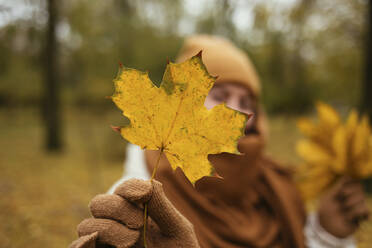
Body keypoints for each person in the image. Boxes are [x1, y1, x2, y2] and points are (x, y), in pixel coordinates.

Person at [70, 35, 369, 248]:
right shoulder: (139, 198)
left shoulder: (280, 190)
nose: (239, 110)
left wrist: (328, 237)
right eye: (222, 96)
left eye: (247, 100)